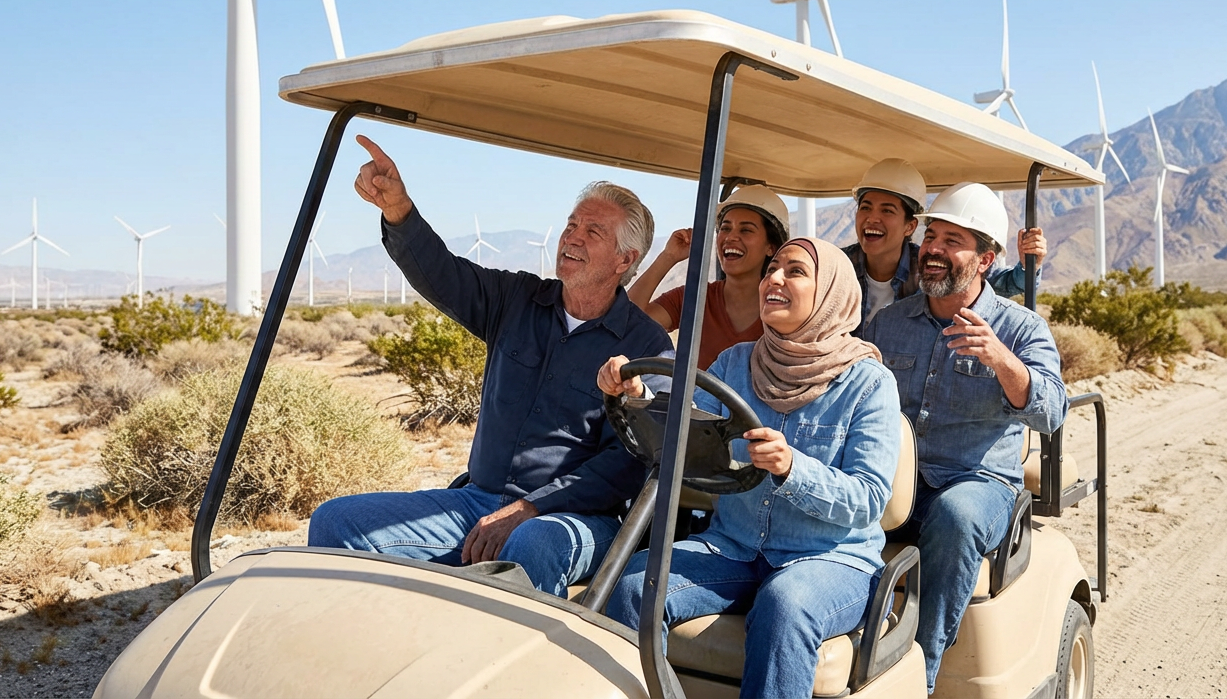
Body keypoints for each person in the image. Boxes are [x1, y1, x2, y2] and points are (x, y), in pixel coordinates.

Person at [307, 134, 673, 598]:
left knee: (531, 544)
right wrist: (398, 211)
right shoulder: (515, 300)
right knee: (334, 522)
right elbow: (443, 274)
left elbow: (629, 463)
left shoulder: (646, 346)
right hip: (476, 502)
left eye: (592, 232)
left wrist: (530, 507)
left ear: (626, 259)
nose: (572, 238)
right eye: (570, 225)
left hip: (572, 519)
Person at [601, 237, 901, 699]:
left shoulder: (869, 384)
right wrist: (637, 398)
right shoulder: (736, 362)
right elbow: (685, 434)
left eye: (795, 271)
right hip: (734, 547)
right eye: (772, 269)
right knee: (635, 586)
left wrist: (791, 468)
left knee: (786, 603)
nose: (774, 279)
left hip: (829, 559)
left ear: (831, 295)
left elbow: (869, 499)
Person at [862, 181, 1068, 694]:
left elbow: (1051, 411)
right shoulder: (887, 325)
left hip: (974, 483)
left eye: (952, 240)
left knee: (955, 519)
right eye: (932, 236)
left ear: (985, 259)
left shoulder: (1020, 329)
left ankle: (922, 677)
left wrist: (1002, 361)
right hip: (898, 482)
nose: (933, 249)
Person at [844, 158, 1049, 337]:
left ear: (910, 226)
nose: (872, 219)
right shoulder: (836, 268)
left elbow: (1004, 281)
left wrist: (1030, 263)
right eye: (865, 208)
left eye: (887, 211)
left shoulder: (930, 267)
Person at [627, 185, 789, 370]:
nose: (730, 237)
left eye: (746, 230)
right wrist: (669, 256)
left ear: (771, 246)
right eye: (725, 228)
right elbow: (628, 324)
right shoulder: (695, 298)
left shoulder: (784, 306)